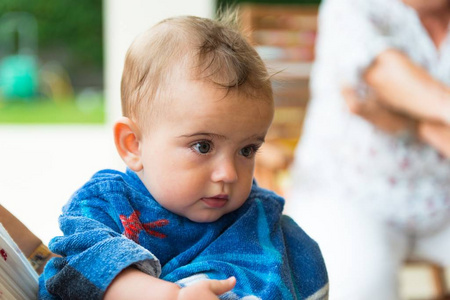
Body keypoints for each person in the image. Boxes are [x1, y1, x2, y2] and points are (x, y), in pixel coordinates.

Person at [38, 14, 329, 300]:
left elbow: (272, 278)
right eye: (203, 146)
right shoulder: (105, 203)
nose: (229, 174)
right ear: (133, 145)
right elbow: (79, 267)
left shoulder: (254, 221)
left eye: (247, 150)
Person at [286, 0, 450, 299]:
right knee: (357, 287)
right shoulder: (352, 6)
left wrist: (408, 117)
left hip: (442, 199)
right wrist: (431, 118)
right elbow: (379, 71)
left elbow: (383, 95)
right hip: (348, 192)